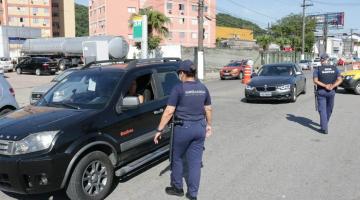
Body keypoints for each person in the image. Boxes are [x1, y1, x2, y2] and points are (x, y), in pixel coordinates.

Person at [153, 60, 212, 200]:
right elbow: (208, 109)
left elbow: (169, 111)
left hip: (183, 128)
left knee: (177, 158)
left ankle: (177, 188)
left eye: (180, 72)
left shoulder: (179, 88)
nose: (179, 75)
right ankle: (193, 194)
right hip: (199, 127)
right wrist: (209, 125)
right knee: (195, 163)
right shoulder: (203, 88)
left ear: (183, 73)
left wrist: (159, 130)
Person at [313, 54, 342, 134]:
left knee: (322, 110)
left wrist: (325, 86)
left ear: (321, 60)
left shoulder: (318, 69)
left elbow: (315, 81)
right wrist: (332, 86)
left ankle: (324, 126)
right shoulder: (334, 68)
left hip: (321, 91)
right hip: (331, 92)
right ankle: (325, 123)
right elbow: (340, 80)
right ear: (328, 60)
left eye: (321, 60)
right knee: (329, 109)